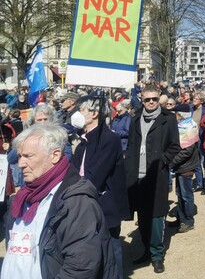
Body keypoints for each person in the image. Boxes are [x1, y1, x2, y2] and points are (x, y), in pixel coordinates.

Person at [1, 124, 117, 278]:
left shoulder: (76, 202)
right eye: (20, 156)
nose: (21, 163)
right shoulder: (23, 196)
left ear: (54, 155)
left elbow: (81, 266)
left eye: (28, 156)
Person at [70, 95, 129, 279]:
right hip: (84, 203)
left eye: (82, 110)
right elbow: (73, 172)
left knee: (111, 251)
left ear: (94, 113)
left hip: (105, 206)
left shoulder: (109, 139)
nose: (77, 114)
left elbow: (94, 177)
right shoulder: (83, 140)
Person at [125, 86, 181, 274]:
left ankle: (157, 254)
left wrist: (163, 161)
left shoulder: (168, 119)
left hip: (156, 175)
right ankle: (146, 250)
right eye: (147, 99)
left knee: (157, 217)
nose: (151, 102)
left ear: (159, 100)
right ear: (142, 100)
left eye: (154, 99)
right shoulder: (135, 120)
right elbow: (131, 146)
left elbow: (175, 146)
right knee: (142, 217)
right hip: (137, 176)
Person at [167, 104, 200, 234]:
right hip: (181, 166)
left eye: (176, 113)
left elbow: (186, 151)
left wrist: (172, 162)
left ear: (180, 115)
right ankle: (181, 218)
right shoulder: (182, 126)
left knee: (186, 195)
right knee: (180, 194)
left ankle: (188, 221)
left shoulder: (189, 127)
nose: (174, 116)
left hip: (186, 166)